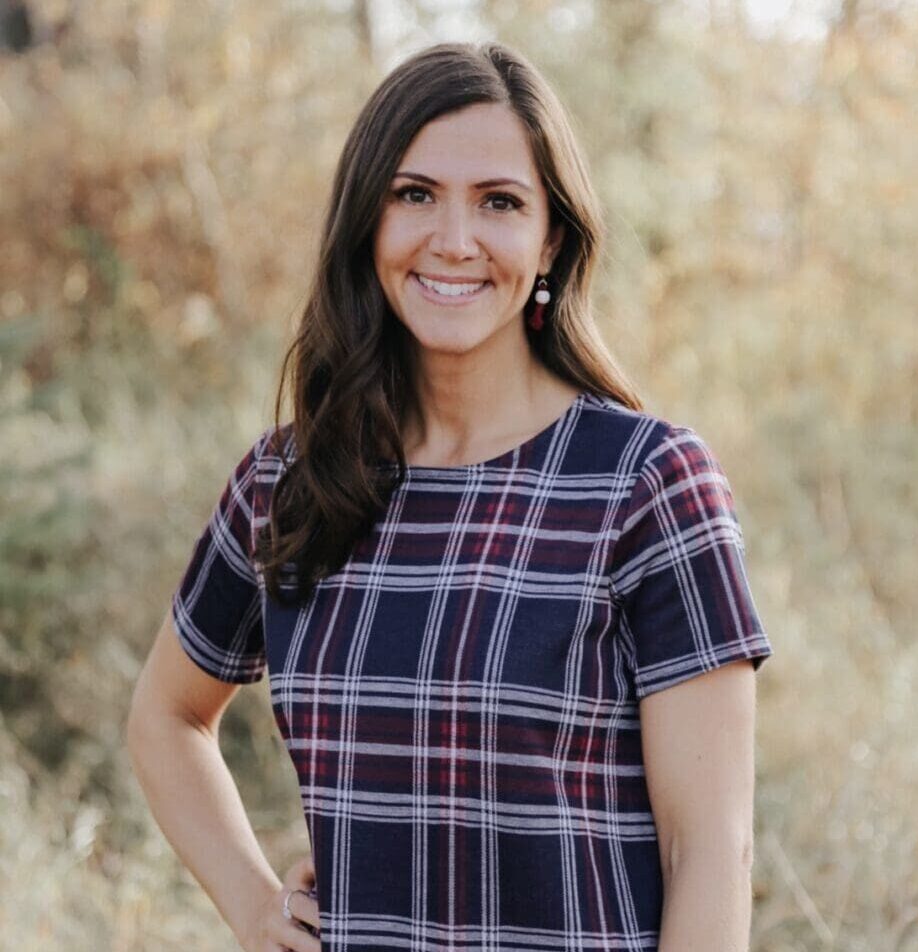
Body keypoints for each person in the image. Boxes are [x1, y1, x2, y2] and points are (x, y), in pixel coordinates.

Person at [127, 40, 773, 952]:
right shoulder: (288, 481)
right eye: (414, 194)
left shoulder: (648, 486)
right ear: (368, 220)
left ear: (550, 237)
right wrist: (250, 900)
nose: (454, 241)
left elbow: (710, 852)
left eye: (499, 203)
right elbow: (166, 715)